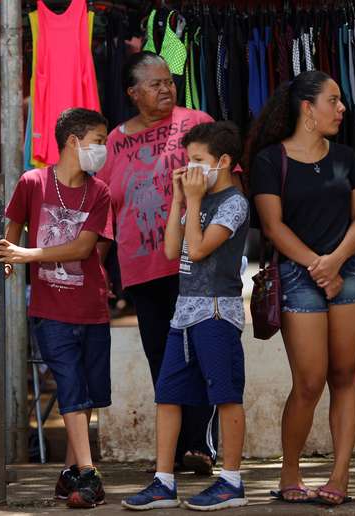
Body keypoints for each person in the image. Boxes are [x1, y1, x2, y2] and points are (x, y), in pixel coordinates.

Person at [96, 51, 233, 474]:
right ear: (133, 93)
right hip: (141, 267)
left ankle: (200, 446)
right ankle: (174, 448)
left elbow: (229, 184)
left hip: (196, 261)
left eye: (170, 81)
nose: (166, 89)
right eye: (155, 84)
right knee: (163, 355)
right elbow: (106, 209)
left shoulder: (197, 123)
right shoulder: (116, 140)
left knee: (204, 352)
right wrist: (98, 268)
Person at [246, 70, 355, 505]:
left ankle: (339, 477)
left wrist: (335, 262)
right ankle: (290, 470)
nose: (342, 108)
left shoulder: (346, 156)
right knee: (310, 381)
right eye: (333, 101)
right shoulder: (268, 160)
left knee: (345, 374)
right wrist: (318, 266)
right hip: (298, 275)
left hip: (347, 270)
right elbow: (272, 226)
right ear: (307, 109)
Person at [122, 122, 250, 511]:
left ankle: (231, 480)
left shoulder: (234, 203)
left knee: (225, 395)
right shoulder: (197, 199)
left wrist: (194, 202)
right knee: (168, 394)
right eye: (187, 160)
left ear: (223, 162)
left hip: (216, 312)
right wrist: (179, 198)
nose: (191, 168)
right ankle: (163, 481)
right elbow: (171, 250)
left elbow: (196, 251)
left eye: (198, 161)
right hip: (184, 313)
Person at [0, 108, 112, 509]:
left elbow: (82, 248)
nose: (103, 148)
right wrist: (2, 263)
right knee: (70, 385)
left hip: (92, 306)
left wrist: (25, 255)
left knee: (87, 394)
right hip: (50, 308)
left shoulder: (100, 192)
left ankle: (69, 475)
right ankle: (90, 475)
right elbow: (8, 241)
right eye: (99, 140)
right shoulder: (32, 183)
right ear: (74, 141)